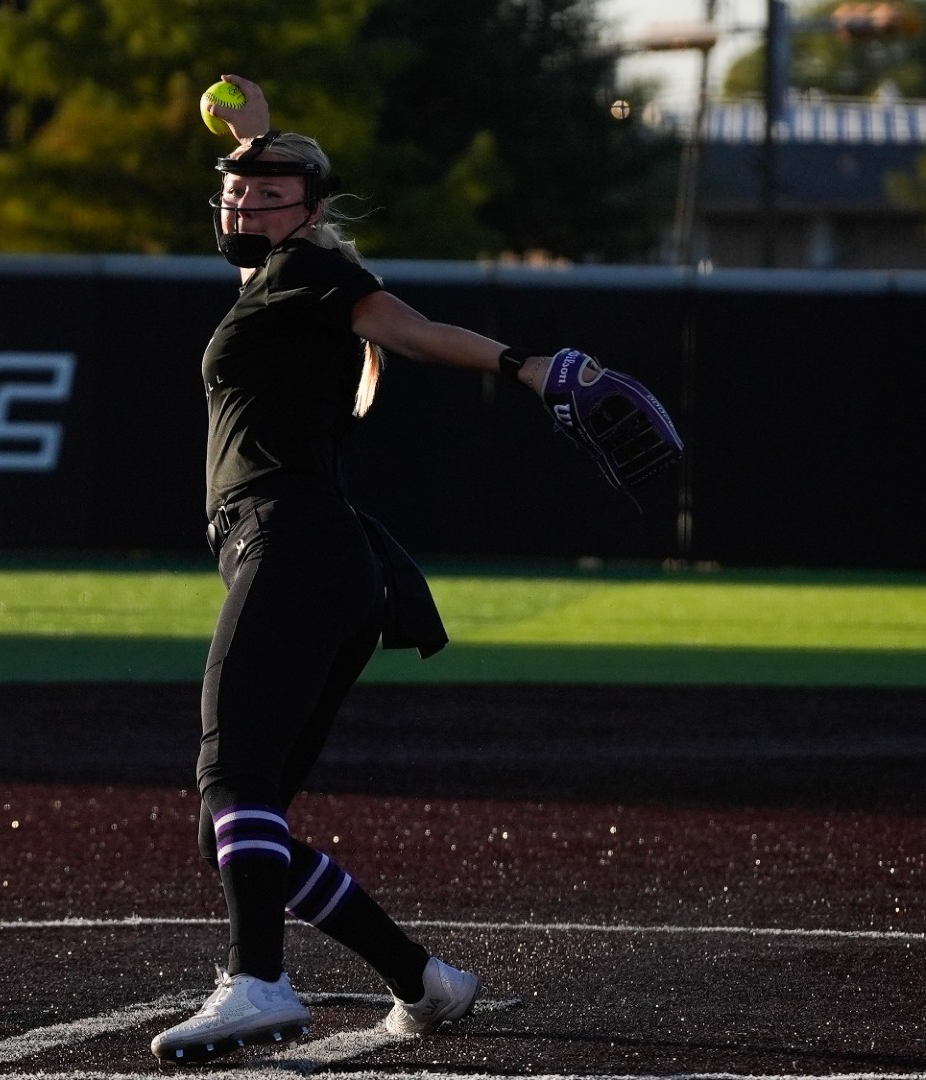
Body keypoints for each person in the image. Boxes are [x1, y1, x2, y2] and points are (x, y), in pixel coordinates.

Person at [149, 74, 570, 1064]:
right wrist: (254, 139)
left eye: (266, 192)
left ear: (312, 209)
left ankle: (255, 982)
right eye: (236, 190)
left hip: (292, 542)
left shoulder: (314, 272)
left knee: (229, 780)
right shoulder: (274, 284)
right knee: (251, 811)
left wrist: (529, 366)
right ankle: (425, 983)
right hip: (326, 555)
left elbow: (415, 333)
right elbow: (273, 259)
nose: (243, 203)